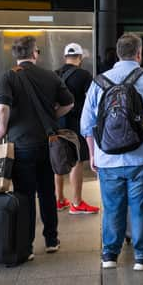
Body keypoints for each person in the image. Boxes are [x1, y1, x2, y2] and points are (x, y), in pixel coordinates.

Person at [80, 33, 143, 271]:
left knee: (112, 206)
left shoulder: (99, 81)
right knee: (141, 206)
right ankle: (142, 256)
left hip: (108, 157)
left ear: (117, 54)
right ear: (139, 53)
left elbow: (86, 124)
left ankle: (109, 255)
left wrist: (92, 155)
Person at [0, 35, 74, 259]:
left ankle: (26, 247)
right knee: (47, 192)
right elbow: (69, 102)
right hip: (47, 143)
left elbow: (1, 108)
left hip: (21, 145)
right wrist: (51, 116)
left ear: (16, 54)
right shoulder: (50, 76)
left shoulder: (8, 76)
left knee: (24, 195)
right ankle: (51, 240)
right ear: (34, 53)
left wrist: (1, 127)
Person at [54, 43, 99, 215]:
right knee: (77, 161)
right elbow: (92, 100)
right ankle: (77, 203)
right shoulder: (84, 75)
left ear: (65, 57)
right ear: (80, 58)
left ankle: (59, 200)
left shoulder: (55, 74)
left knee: (57, 160)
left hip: (56, 123)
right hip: (75, 124)